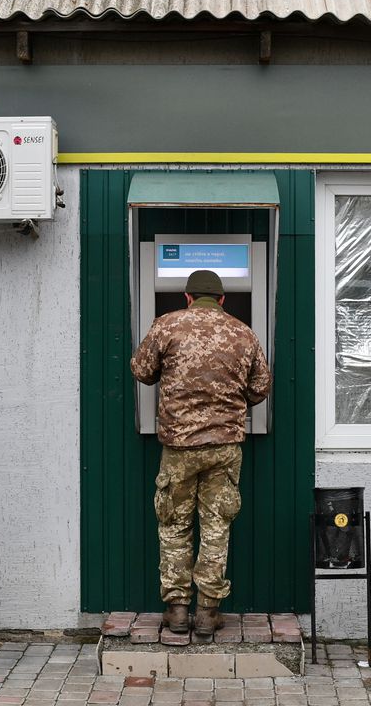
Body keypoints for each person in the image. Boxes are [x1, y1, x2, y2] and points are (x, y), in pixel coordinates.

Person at [130, 269, 271, 636]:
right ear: (222, 299)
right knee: (216, 525)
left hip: (179, 448)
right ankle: (208, 612)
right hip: (225, 448)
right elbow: (260, 388)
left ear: (188, 297)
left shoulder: (167, 325)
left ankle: (177, 610)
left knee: (174, 525)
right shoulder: (244, 333)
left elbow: (142, 371)